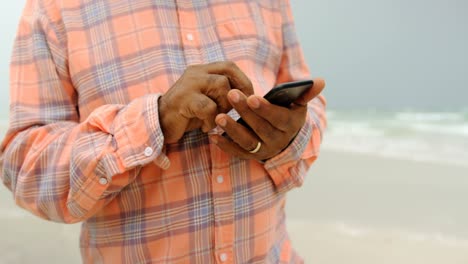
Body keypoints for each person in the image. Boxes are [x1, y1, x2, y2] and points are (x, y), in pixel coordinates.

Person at [0, 0, 326, 263]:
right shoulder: (54, 8)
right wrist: (153, 121)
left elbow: (310, 110)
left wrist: (286, 140)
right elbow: (24, 168)